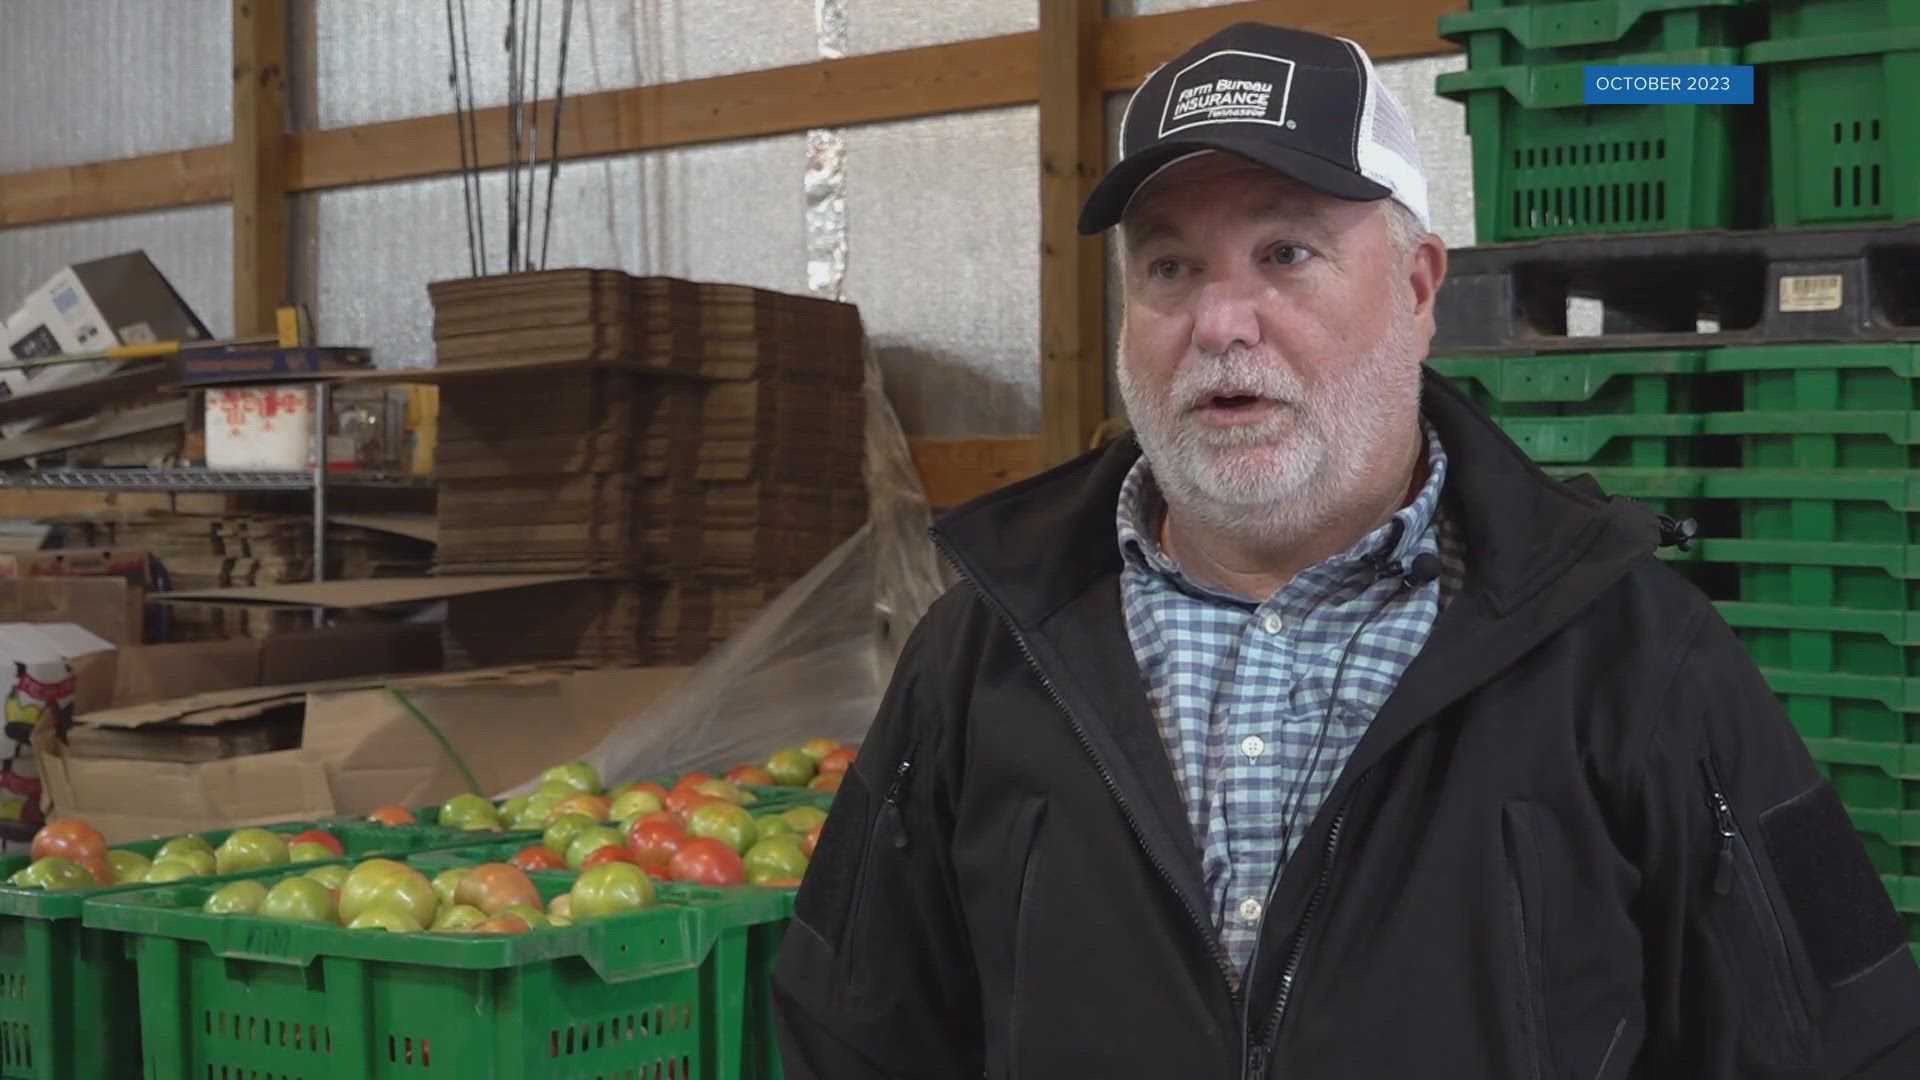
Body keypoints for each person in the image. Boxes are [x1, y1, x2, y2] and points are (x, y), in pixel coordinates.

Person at [773, 21, 1920, 1078]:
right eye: (1171, 268)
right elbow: (852, 1032)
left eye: (1286, 253)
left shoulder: (1635, 659)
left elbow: (1836, 1042)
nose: (1221, 323)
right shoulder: (981, 655)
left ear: (1419, 290)